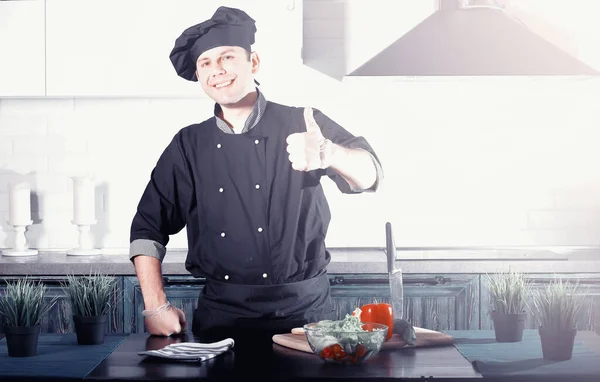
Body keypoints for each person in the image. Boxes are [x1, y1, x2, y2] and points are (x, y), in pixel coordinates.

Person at [129, 6, 383, 344]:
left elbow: (370, 175)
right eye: (205, 63)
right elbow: (148, 228)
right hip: (223, 317)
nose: (216, 70)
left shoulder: (303, 123)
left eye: (227, 57)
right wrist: (155, 305)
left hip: (305, 317)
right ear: (200, 77)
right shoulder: (189, 145)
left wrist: (329, 153)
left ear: (254, 62)